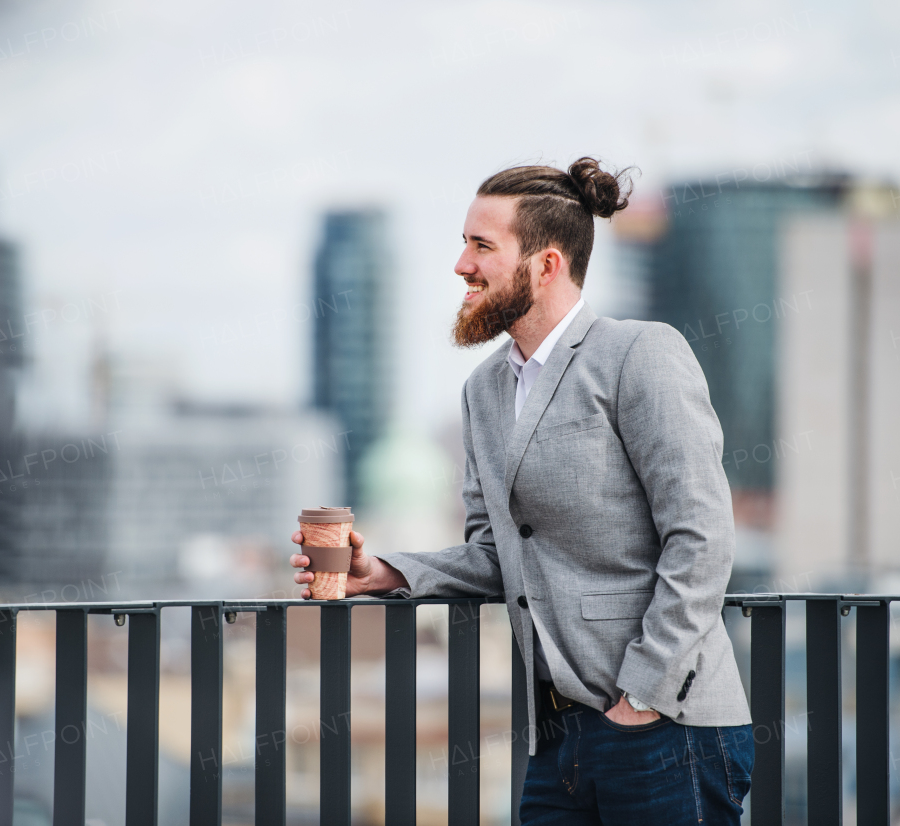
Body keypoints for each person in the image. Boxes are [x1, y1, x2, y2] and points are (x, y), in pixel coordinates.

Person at [290, 157, 753, 824]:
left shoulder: (639, 355)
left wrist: (641, 697)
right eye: (463, 243)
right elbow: (498, 554)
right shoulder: (484, 392)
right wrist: (384, 571)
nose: (460, 265)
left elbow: (702, 539)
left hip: (665, 728)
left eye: (481, 246)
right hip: (557, 741)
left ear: (546, 265)